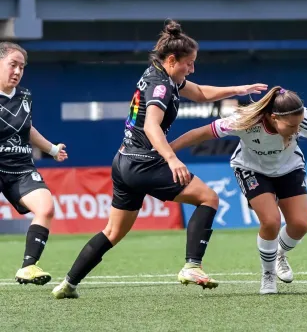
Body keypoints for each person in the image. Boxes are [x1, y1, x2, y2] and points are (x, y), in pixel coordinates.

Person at [52, 20, 267, 299]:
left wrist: (238, 89)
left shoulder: (160, 75)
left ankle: (68, 284)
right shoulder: (162, 87)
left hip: (123, 162)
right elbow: (152, 126)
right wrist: (172, 159)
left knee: (113, 232)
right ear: (171, 60)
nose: (192, 69)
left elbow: (201, 93)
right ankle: (192, 265)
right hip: (145, 163)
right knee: (209, 198)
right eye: (189, 64)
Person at [170, 86, 307, 294]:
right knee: (270, 221)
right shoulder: (245, 121)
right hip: (251, 169)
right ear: (273, 117)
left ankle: (279, 254)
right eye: (291, 126)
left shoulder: (303, 119)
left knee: (300, 224)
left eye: (298, 125)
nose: (297, 130)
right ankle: (268, 275)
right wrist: (167, 152)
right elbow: (201, 134)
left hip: (289, 167)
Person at [0, 42, 68, 285]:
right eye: (13, 65)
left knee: (46, 207)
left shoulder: (25, 96)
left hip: (20, 166)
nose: (17, 71)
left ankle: (28, 267)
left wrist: (51, 149)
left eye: (22, 67)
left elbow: (26, 128)